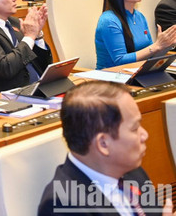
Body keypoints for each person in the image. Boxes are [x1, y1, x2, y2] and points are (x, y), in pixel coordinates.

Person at [38, 81, 170, 216]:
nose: (145, 135)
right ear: (103, 144)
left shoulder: (132, 171)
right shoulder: (63, 206)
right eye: (135, 128)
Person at [95, 0, 176, 69]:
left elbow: (151, 54)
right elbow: (120, 60)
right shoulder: (109, 21)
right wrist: (156, 46)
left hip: (138, 70)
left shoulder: (139, 16)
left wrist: (166, 45)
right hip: (112, 74)